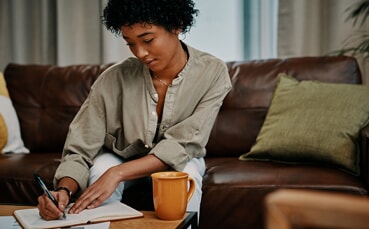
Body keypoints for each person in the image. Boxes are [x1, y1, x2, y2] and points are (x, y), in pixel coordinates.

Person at [37, 0, 232, 220]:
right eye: (130, 43)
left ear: (176, 25)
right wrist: (63, 191)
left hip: (182, 159)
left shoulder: (213, 72)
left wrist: (117, 174)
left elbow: (183, 144)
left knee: (186, 178)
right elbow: (80, 148)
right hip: (122, 158)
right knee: (100, 169)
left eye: (147, 40)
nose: (140, 53)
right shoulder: (112, 79)